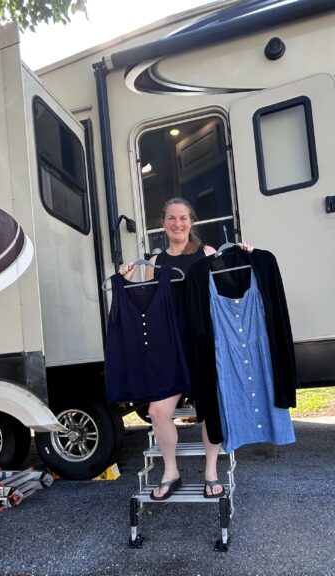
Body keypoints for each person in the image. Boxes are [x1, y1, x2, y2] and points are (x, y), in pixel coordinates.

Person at [118, 197, 252, 500]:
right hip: (171, 347)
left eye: (183, 218)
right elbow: (150, 307)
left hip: (205, 342)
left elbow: (230, 290)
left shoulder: (207, 253)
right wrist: (127, 280)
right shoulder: (154, 262)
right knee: (157, 410)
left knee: (210, 410)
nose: (178, 224)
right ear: (163, 223)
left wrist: (245, 257)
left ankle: (210, 472)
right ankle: (170, 471)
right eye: (171, 218)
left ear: (191, 222)